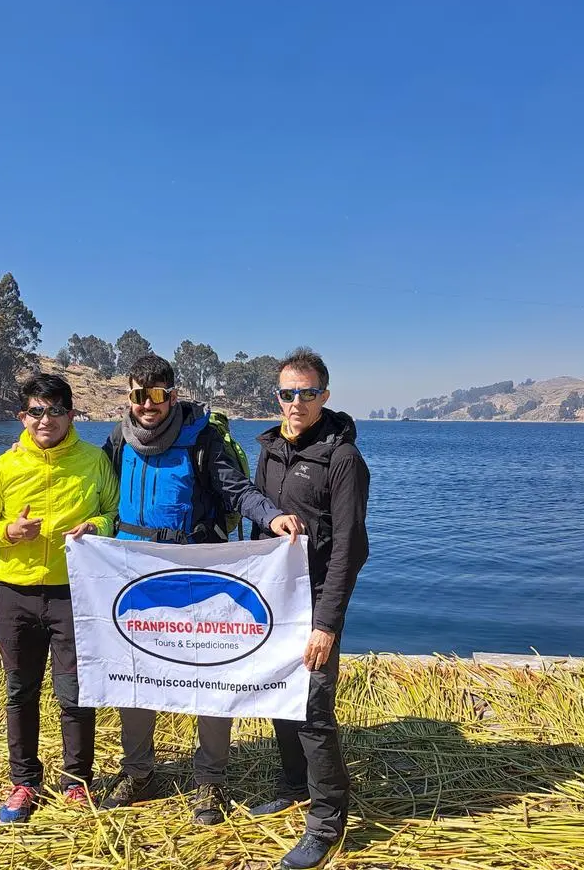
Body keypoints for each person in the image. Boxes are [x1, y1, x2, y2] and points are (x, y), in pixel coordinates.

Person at [98, 353, 304, 825]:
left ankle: (209, 780)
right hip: (134, 576)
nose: (148, 405)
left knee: (210, 676)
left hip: (199, 573)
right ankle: (139, 771)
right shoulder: (116, 440)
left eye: (158, 395)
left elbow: (236, 492)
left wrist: (270, 516)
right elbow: (98, 493)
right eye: (138, 395)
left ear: (173, 394)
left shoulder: (202, 440)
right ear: (128, 397)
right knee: (134, 675)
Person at [0, 374, 119, 825]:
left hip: (74, 593)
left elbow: (113, 513)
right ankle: (25, 782)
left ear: (72, 414)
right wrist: (7, 533)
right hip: (14, 594)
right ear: (22, 417)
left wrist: (96, 527)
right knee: (20, 690)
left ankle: (76, 782)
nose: (45, 419)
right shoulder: (4, 467)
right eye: (36, 410)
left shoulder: (93, 461)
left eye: (54, 410)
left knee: (74, 693)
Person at [246, 348, 370, 870]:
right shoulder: (270, 449)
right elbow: (256, 512)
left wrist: (326, 625)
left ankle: (326, 822)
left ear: (325, 396)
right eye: (286, 393)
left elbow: (350, 549)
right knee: (280, 699)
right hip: (274, 599)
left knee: (315, 710)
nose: (295, 403)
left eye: (307, 393)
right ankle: (294, 785)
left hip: (315, 601)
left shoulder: (342, 459)